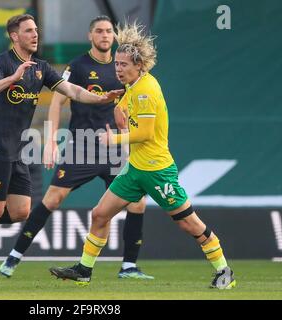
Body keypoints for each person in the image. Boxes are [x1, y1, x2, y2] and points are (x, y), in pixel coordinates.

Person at [49, 21, 236, 289]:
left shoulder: (147, 89)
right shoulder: (132, 87)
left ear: (139, 65)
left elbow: (146, 133)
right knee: (100, 214)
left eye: (123, 65)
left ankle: (224, 271)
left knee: (189, 224)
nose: (118, 69)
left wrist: (115, 137)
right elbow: (126, 113)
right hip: (135, 169)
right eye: (116, 64)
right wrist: (118, 110)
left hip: (157, 170)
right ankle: (84, 270)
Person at [0, 13, 123, 288]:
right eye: (28, 31)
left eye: (36, 30)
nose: (35, 35)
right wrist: (11, 78)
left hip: (19, 147)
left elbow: (72, 90)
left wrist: (100, 99)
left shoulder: (41, 66)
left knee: (20, 211)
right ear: (14, 36)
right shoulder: (2, 62)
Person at [0, 16, 152, 280]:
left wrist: (128, 136)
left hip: (115, 147)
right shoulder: (79, 66)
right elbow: (58, 102)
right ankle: (15, 256)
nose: (105, 36)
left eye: (109, 32)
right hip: (82, 145)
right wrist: (51, 140)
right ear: (90, 36)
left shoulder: (124, 67)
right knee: (53, 199)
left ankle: (128, 266)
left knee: (137, 202)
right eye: (99, 31)